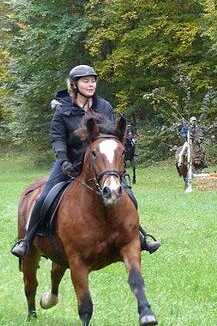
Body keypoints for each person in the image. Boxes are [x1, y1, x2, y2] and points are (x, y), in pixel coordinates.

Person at [11, 65, 161, 258]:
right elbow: (57, 138)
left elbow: (110, 135)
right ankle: (27, 240)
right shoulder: (63, 109)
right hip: (70, 162)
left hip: (101, 164)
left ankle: (140, 236)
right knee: (44, 197)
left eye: (93, 80)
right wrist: (63, 159)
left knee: (128, 194)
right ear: (74, 85)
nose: (91, 84)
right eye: (86, 81)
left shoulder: (104, 107)